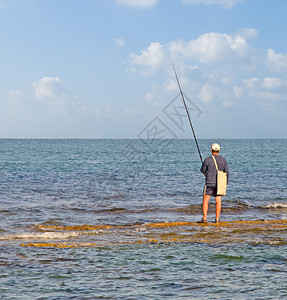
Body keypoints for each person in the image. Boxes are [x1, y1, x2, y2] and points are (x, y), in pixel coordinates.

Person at [198, 143, 229, 223]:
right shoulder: (223, 160)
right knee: (218, 201)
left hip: (209, 183)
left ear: (211, 150)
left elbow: (202, 170)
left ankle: (204, 219)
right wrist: (225, 184)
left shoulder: (207, 159)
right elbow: (227, 173)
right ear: (219, 150)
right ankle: (217, 219)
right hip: (219, 183)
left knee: (205, 200)